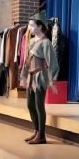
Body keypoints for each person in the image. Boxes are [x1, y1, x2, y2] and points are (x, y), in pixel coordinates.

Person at [20, 10, 59, 144]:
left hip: (40, 77)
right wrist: (23, 76)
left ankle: (42, 135)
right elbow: (27, 60)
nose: (29, 28)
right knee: (29, 105)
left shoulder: (46, 42)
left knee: (39, 106)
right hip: (31, 77)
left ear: (40, 26)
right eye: (29, 25)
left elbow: (52, 63)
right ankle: (36, 131)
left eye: (32, 25)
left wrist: (52, 81)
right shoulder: (31, 41)